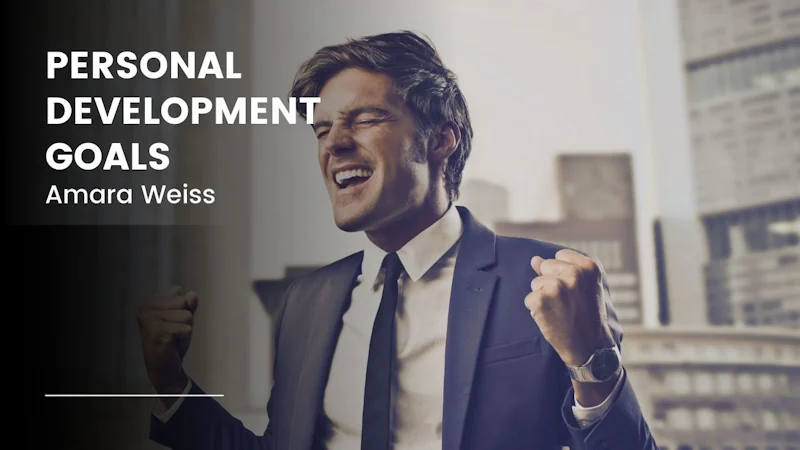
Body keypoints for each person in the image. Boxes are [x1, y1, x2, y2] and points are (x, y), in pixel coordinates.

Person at [138, 31, 657, 450]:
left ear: (441, 139)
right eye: (321, 130)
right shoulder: (306, 302)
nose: (335, 144)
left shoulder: (545, 281)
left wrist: (592, 363)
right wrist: (170, 382)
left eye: (365, 120)